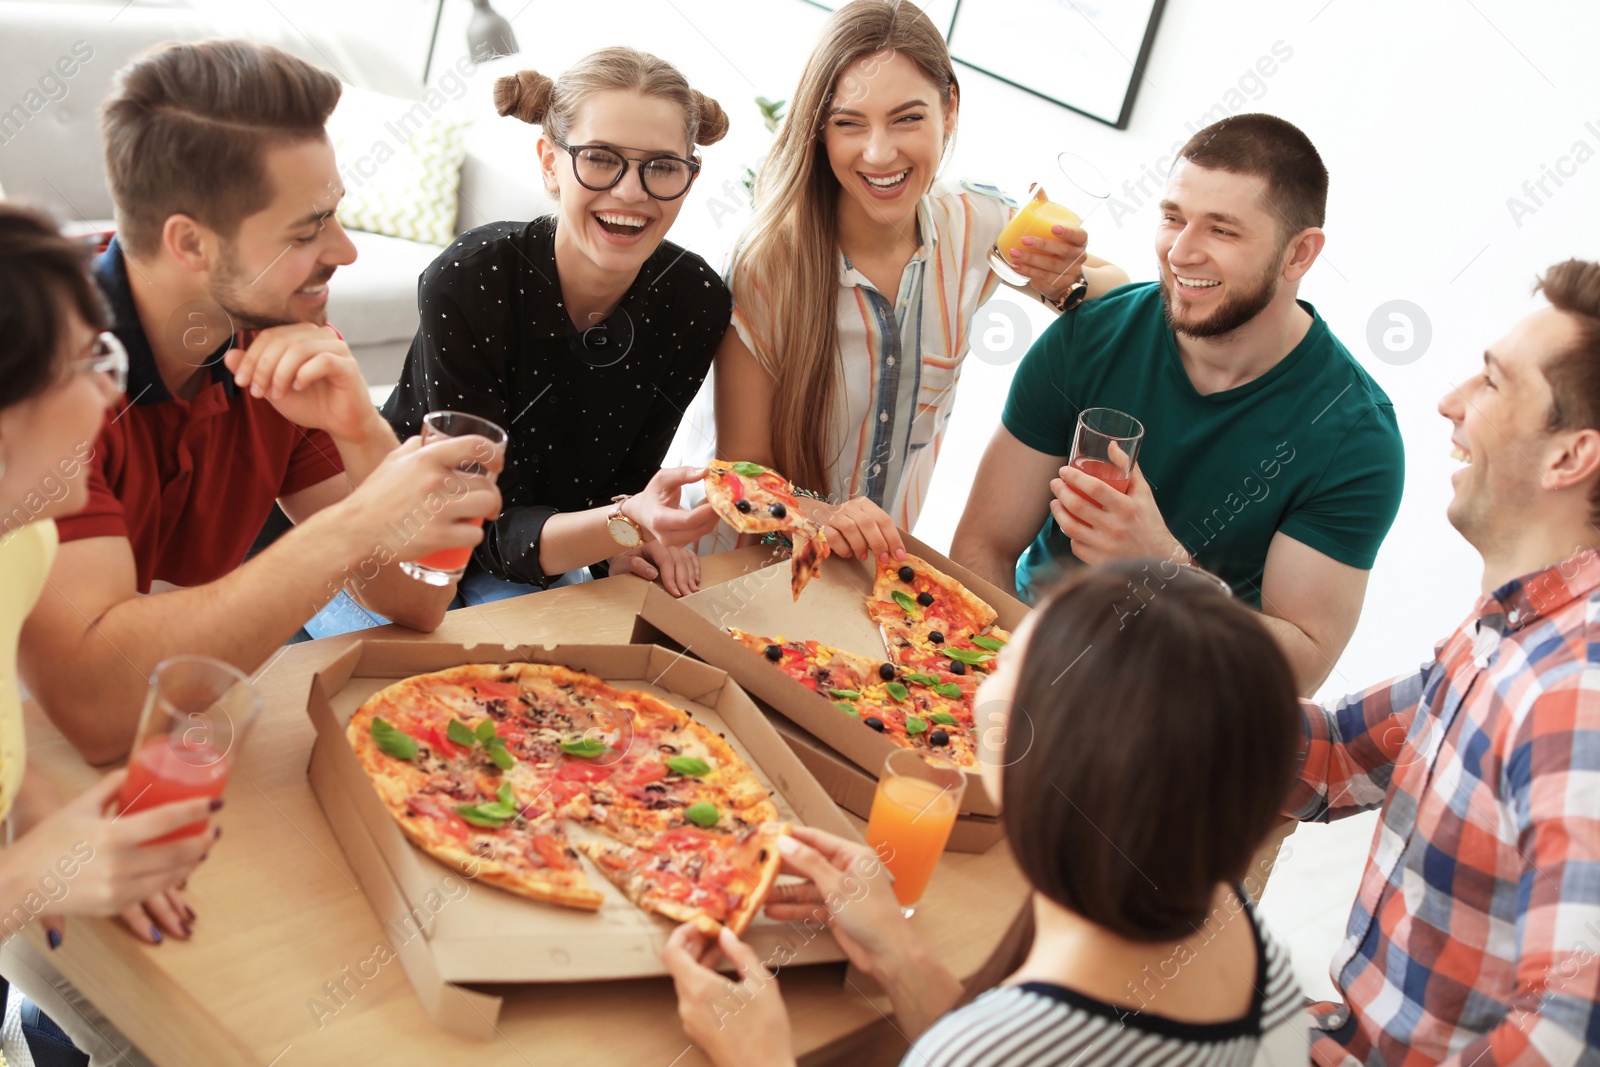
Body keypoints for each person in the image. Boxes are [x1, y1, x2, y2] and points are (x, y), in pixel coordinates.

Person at [17, 40, 503, 767]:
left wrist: (360, 430)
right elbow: (99, 714)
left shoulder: (283, 337)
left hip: (190, 752)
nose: (346, 249)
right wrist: (360, 522)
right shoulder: (51, 384)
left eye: (335, 216)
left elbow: (415, 601)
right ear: (191, 244)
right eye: (308, 230)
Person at [662, 562, 1308, 1066]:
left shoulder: (1002, 1041)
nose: (982, 681)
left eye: (1003, 667)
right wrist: (897, 953)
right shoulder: (1238, 921)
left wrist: (761, 1051)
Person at [952, 113, 1404, 695]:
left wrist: (1165, 566)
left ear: (1299, 256)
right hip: (1017, 666)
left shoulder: (1354, 435)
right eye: (1172, 218)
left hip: (1176, 726)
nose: (1181, 253)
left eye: (1223, 230)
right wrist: (1021, 685)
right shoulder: (1088, 336)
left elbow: (1302, 666)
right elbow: (981, 547)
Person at [1287, 259, 1600, 1065]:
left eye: (1493, 382)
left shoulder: (1574, 693)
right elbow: (1330, 756)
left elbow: (1565, 1034)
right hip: (1333, 1029)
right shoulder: (1512, 627)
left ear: (1570, 457)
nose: (1450, 401)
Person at [691, 0, 1129, 562]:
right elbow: (740, 475)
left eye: (907, 118)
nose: (879, 153)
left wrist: (1065, 282)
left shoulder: (976, 222)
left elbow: (1118, 290)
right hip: (730, 571)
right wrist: (829, 519)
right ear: (819, 131)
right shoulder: (767, 262)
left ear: (949, 108)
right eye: (849, 123)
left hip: (860, 582)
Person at [373, 47, 725, 616]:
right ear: (548, 162)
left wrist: (626, 532)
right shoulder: (468, 278)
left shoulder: (696, 301)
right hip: (403, 532)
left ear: (689, 176)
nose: (631, 192)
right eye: (600, 158)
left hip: (544, 548)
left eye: (662, 166)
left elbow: (626, 482)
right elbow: (478, 521)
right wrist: (622, 527)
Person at [0, 203, 223, 1067]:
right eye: (88, 361)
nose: (110, 390)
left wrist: (44, 815)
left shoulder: (24, 537)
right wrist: (33, 875)